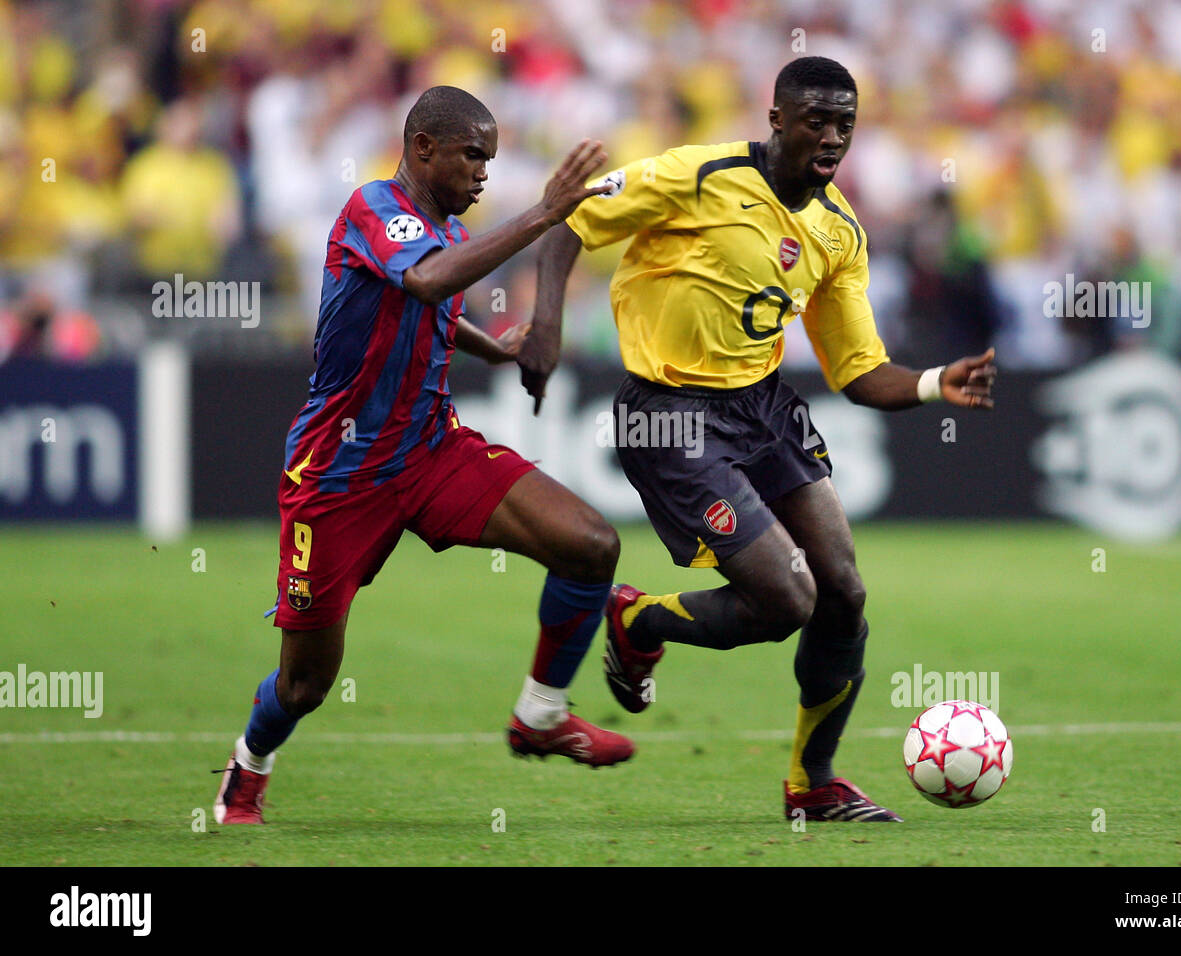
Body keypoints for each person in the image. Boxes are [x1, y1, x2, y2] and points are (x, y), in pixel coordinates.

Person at [520, 57, 997, 823]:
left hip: (762, 407)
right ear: (776, 119)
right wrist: (545, 325)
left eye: (845, 122)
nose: (832, 136)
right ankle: (637, 618)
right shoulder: (697, 175)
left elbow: (858, 368)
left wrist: (932, 382)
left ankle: (813, 784)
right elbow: (570, 220)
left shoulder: (838, 232)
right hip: (667, 411)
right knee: (787, 598)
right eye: (816, 119)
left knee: (843, 592)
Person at [214, 87, 634, 825]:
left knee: (591, 545)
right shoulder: (372, 207)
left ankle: (540, 716)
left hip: (431, 450)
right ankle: (248, 766)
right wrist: (545, 211)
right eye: (473, 155)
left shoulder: (435, 233)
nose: (482, 173)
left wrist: (495, 352)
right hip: (338, 477)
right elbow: (428, 280)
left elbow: (436, 299)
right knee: (307, 685)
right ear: (422, 149)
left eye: (491, 160)